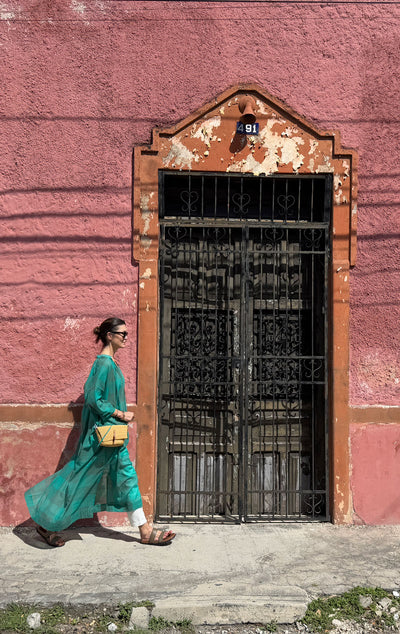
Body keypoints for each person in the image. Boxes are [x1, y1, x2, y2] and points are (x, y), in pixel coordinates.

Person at [25, 317, 175, 547]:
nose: (126, 337)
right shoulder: (103, 364)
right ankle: (45, 525)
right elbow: (93, 398)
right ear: (109, 335)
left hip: (113, 438)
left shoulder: (111, 363)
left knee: (127, 479)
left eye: (126, 333)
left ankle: (145, 530)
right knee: (76, 481)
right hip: (100, 439)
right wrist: (120, 414)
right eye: (122, 333)